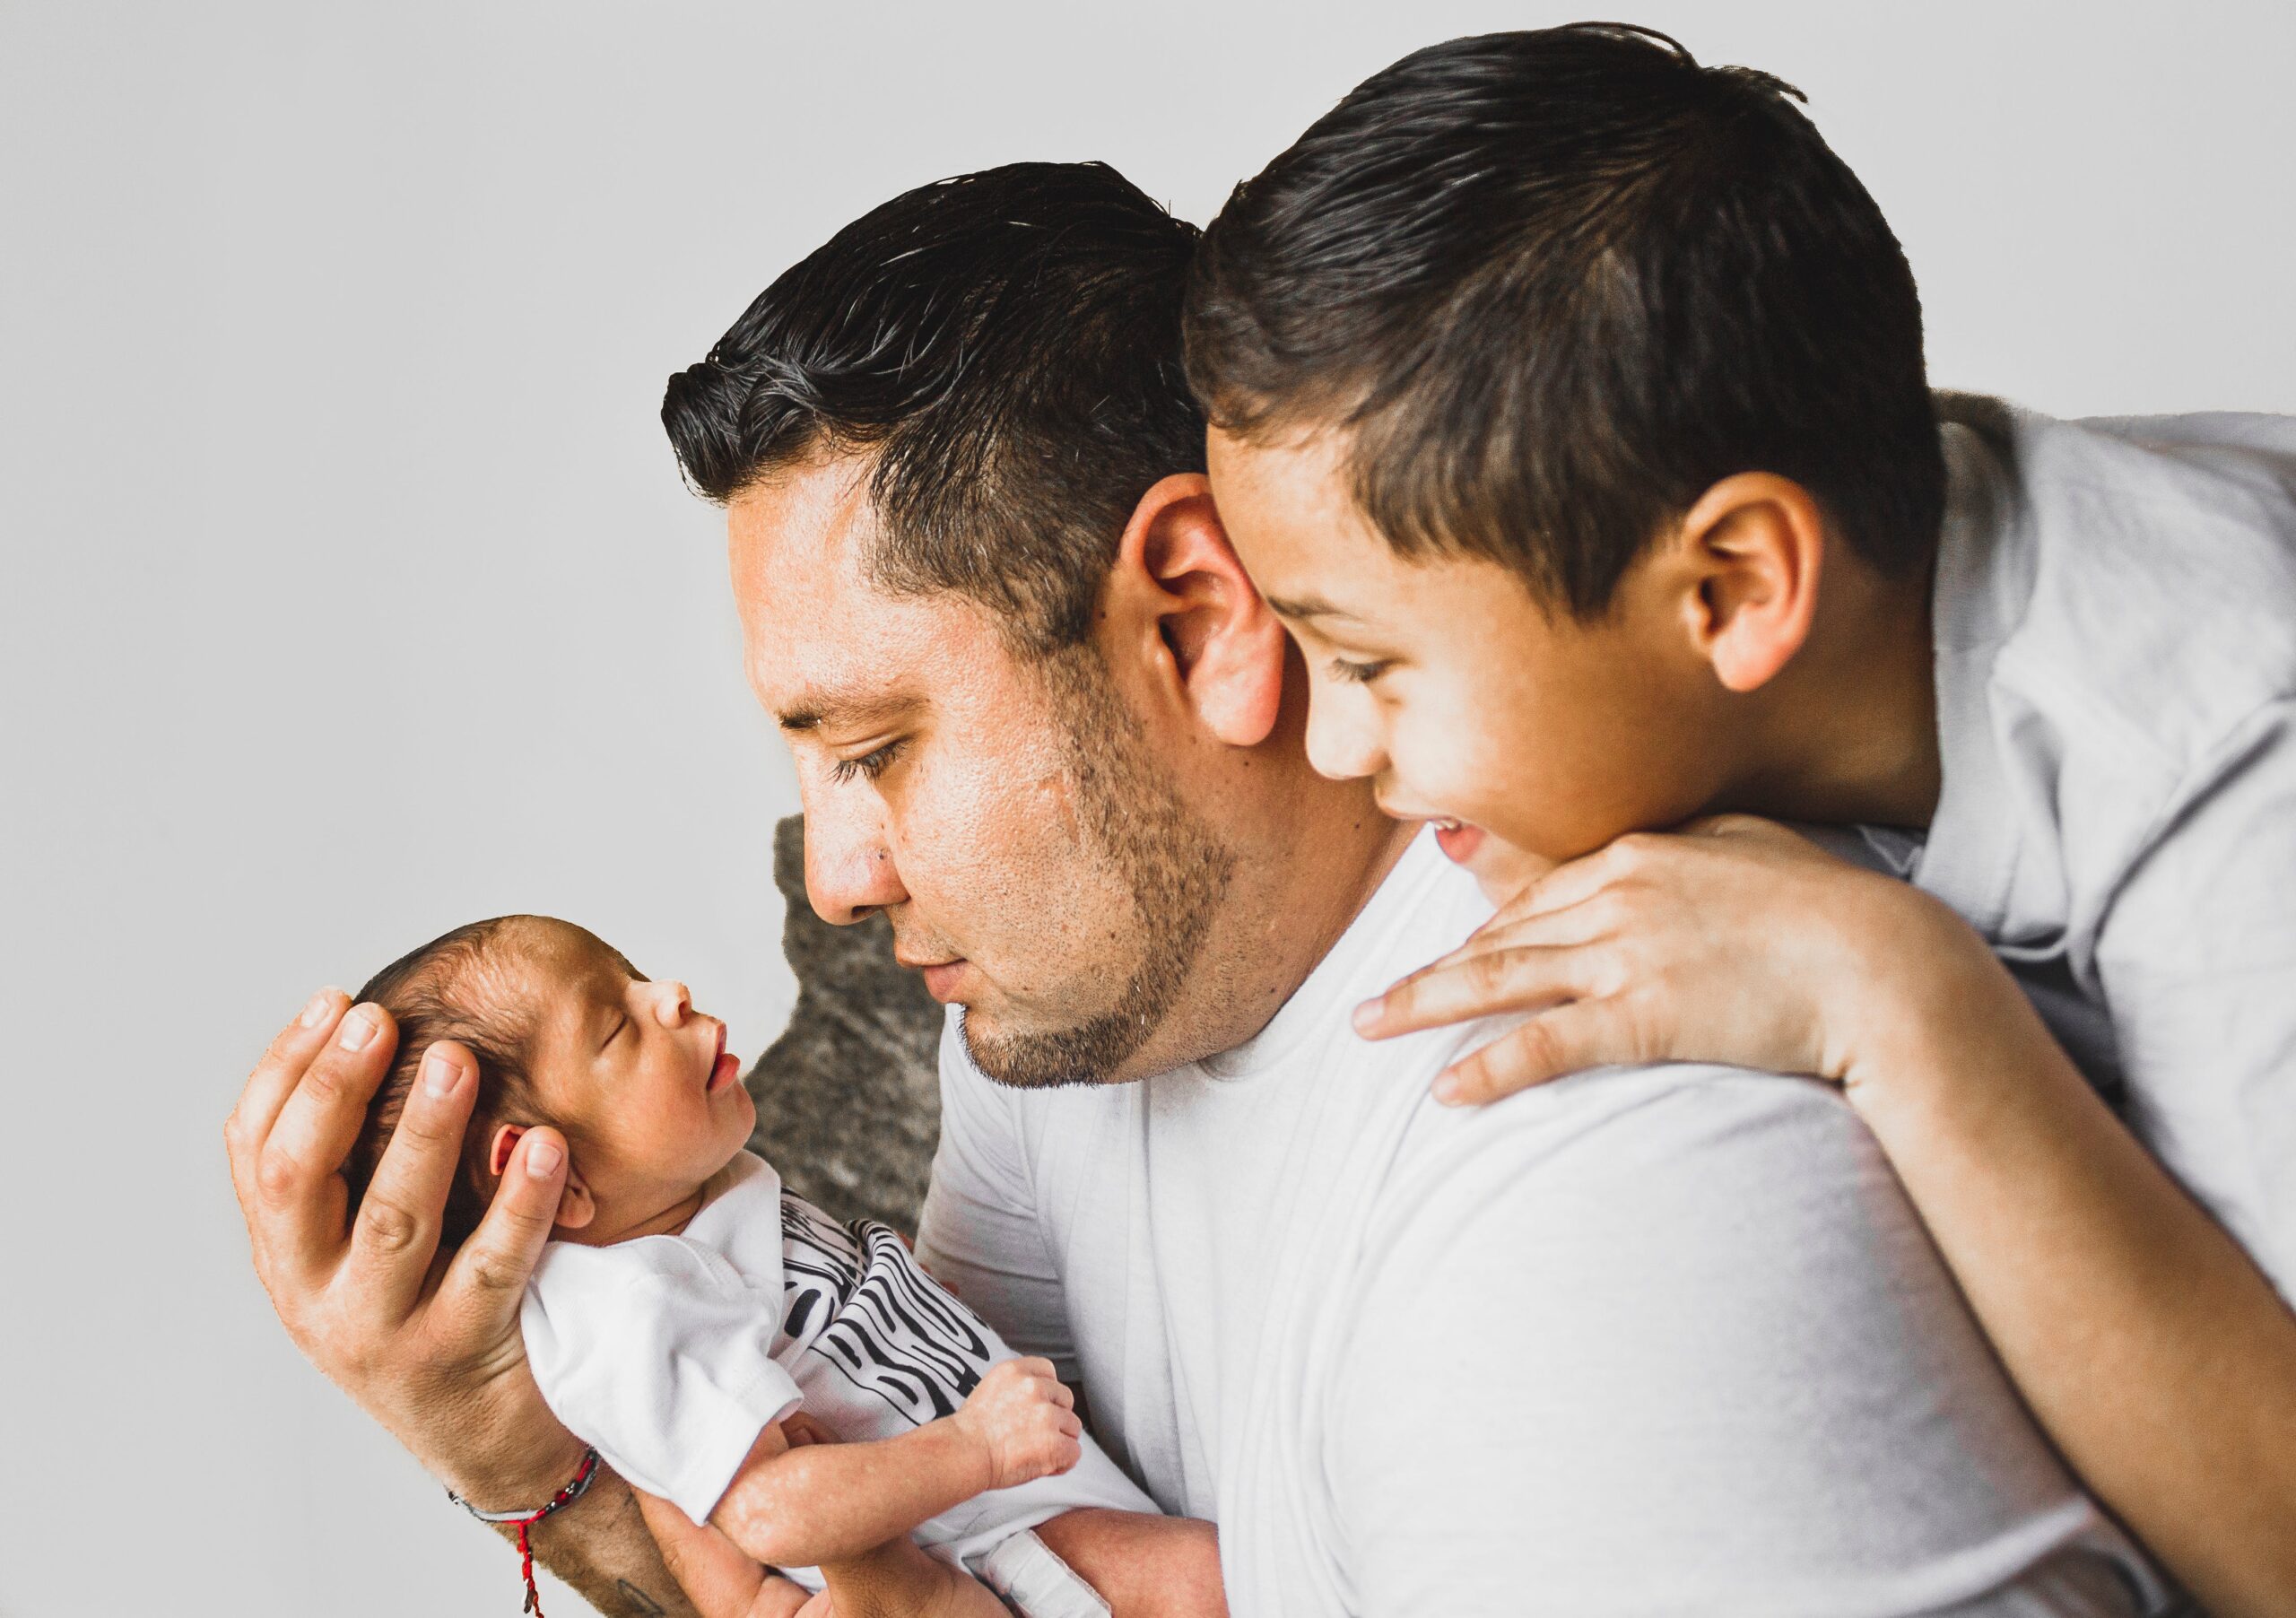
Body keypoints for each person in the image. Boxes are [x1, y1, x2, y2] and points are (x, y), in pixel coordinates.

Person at [227, 162, 2165, 1617]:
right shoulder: (1060, 1028)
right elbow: (897, 1546)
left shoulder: (1587, 1184)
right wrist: (530, 1451)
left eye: (876, 744)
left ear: (1191, 616)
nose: (832, 869)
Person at [1183, 25, 2296, 1618]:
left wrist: (1897, 1001)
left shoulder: (2230, 766)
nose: (1330, 734)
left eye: (1365, 659)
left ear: (1737, 586)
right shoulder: (1859, 580)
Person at [342, 914, 1221, 1618]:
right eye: (616, 1025)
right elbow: (767, 1512)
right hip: (988, 1557)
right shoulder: (623, 1306)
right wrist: (974, 1446)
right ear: (548, 1174)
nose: (670, 996)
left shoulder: (679, 1223)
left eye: (634, 973)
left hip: (1015, 1519)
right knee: (1217, 1585)